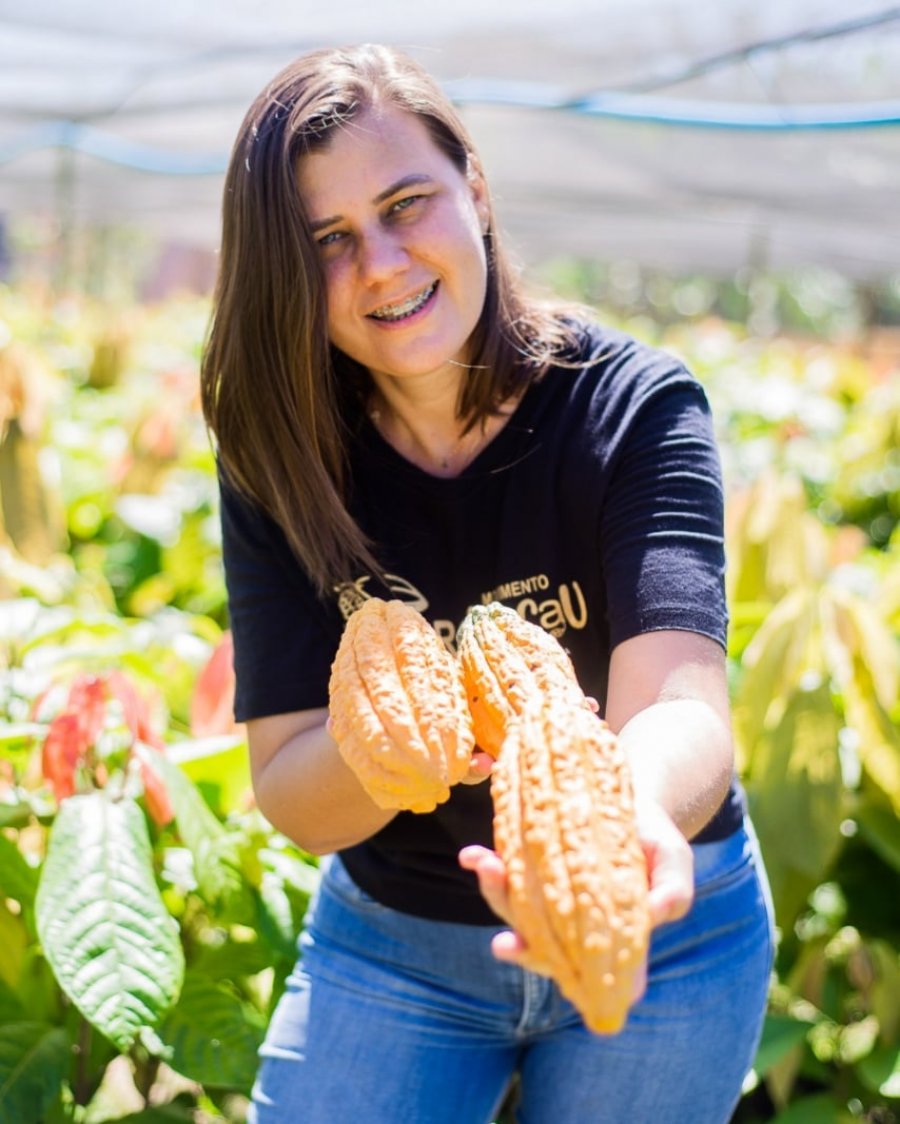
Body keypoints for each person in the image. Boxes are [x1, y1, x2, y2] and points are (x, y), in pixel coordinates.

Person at [200, 42, 775, 1124]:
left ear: (474, 188)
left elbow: (683, 705)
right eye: (327, 239)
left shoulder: (634, 407)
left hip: (659, 928)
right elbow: (288, 786)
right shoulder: (278, 458)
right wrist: (394, 744)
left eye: (405, 204)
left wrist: (614, 825)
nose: (381, 263)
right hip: (397, 944)